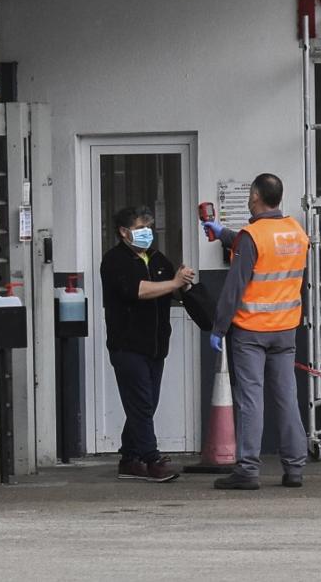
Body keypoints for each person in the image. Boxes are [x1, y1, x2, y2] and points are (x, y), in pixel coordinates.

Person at [202, 173, 309, 491]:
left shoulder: (252, 235)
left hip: (251, 331)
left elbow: (235, 286)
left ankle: (248, 469)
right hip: (286, 330)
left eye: (251, 194)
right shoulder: (295, 231)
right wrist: (223, 234)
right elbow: (265, 250)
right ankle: (294, 469)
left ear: (256, 197)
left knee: (251, 401)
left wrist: (218, 328)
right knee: (287, 398)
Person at [100, 206, 200, 483]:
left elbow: (172, 288)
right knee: (142, 403)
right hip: (127, 345)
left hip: (156, 345)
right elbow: (138, 290)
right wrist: (172, 283)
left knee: (146, 403)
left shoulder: (156, 258)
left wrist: (183, 283)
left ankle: (129, 458)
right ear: (123, 231)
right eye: (141, 227)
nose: (148, 233)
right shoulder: (115, 261)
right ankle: (151, 458)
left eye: (150, 227)